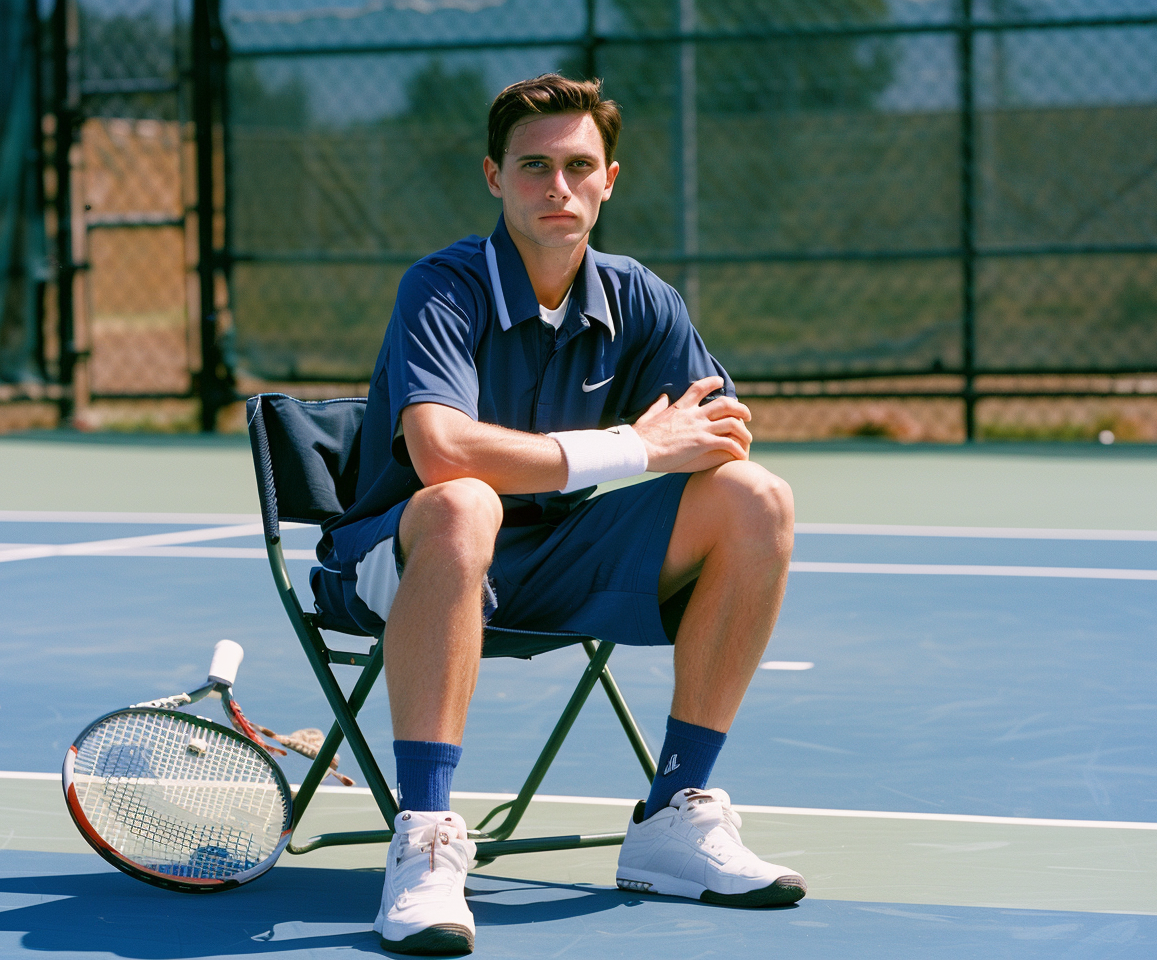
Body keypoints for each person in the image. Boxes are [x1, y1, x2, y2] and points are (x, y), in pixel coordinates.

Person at [311, 73, 804, 955]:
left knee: (758, 498)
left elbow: (718, 434)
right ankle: (423, 841)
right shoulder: (444, 286)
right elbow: (443, 455)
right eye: (534, 166)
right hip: (404, 560)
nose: (558, 187)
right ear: (494, 177)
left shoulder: (640, 297)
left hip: (556, 557)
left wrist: (669, 445)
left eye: (579, 166)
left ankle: (672, 820)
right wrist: (635, 447)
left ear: (609, 179)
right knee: (464, 504)